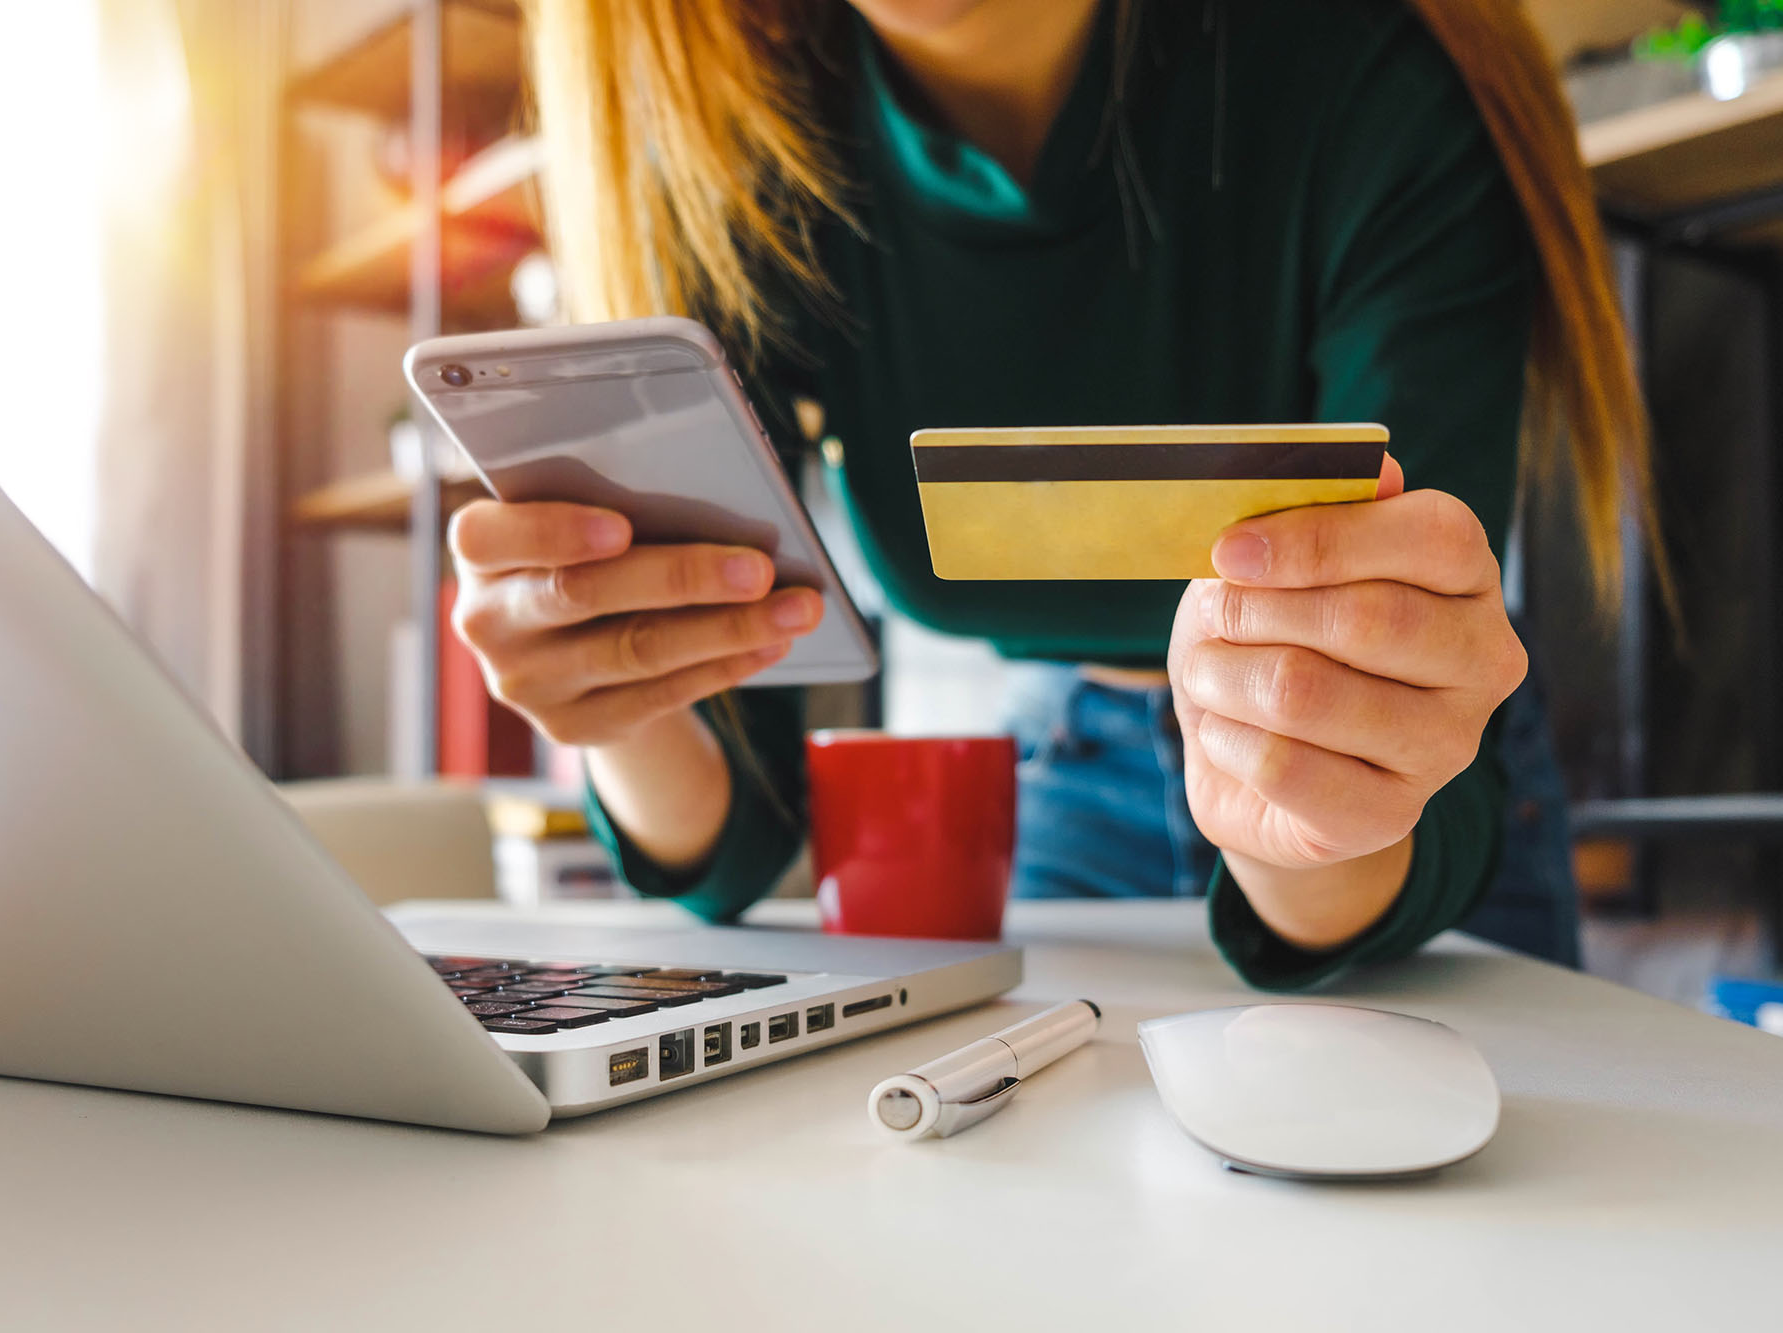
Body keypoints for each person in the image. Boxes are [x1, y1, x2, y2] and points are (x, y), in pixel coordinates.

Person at [447, 0, 1656, 988]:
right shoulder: (741, 143)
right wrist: (621, 703)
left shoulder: (1381, 73)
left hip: (1417, 787)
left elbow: (1408, 699)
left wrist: (1311, 832)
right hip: (1052, 777)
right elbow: (732, 850)